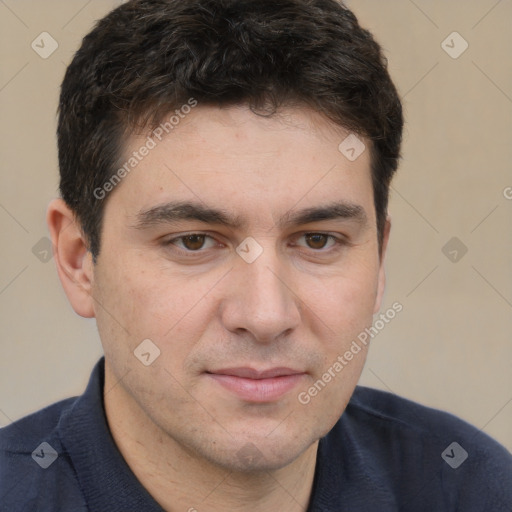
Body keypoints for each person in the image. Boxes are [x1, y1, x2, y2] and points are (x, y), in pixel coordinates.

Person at [1, 0, 511, 510]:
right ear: (77, 260)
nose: (266, 316)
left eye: (317, 240)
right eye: (194, 241)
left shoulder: (477, 490)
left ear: (379, 259)